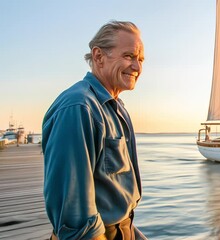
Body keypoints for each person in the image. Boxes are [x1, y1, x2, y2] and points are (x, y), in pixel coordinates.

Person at [42, 20, 147, 240]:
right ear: (98, 56)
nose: (137, 67)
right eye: (128, 56)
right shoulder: (79, 108)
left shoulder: (116, 107)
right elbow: (75, 218)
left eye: (140, 59)